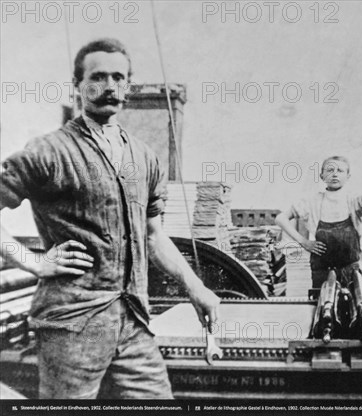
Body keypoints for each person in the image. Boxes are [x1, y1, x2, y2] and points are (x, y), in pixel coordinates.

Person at [0, 38, 220, 399]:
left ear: (128, 86)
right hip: (71, 325)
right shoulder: (49, 151)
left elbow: (153, 236)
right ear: (78, 85)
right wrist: (34, 262)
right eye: (98, 77)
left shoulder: (144, 158)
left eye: (119, 77)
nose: (110, 86)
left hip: (133, 322)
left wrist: (197, 288)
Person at [275, 156, 362, 288]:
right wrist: (303, 242)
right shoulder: (312, 202)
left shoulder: (352, 201)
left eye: (340, 170)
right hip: (321, 271)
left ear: (348, 176)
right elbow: (280, 218)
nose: (334, 174)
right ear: (322, 176)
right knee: (322, 304)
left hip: (350, 270)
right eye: (329, 170)